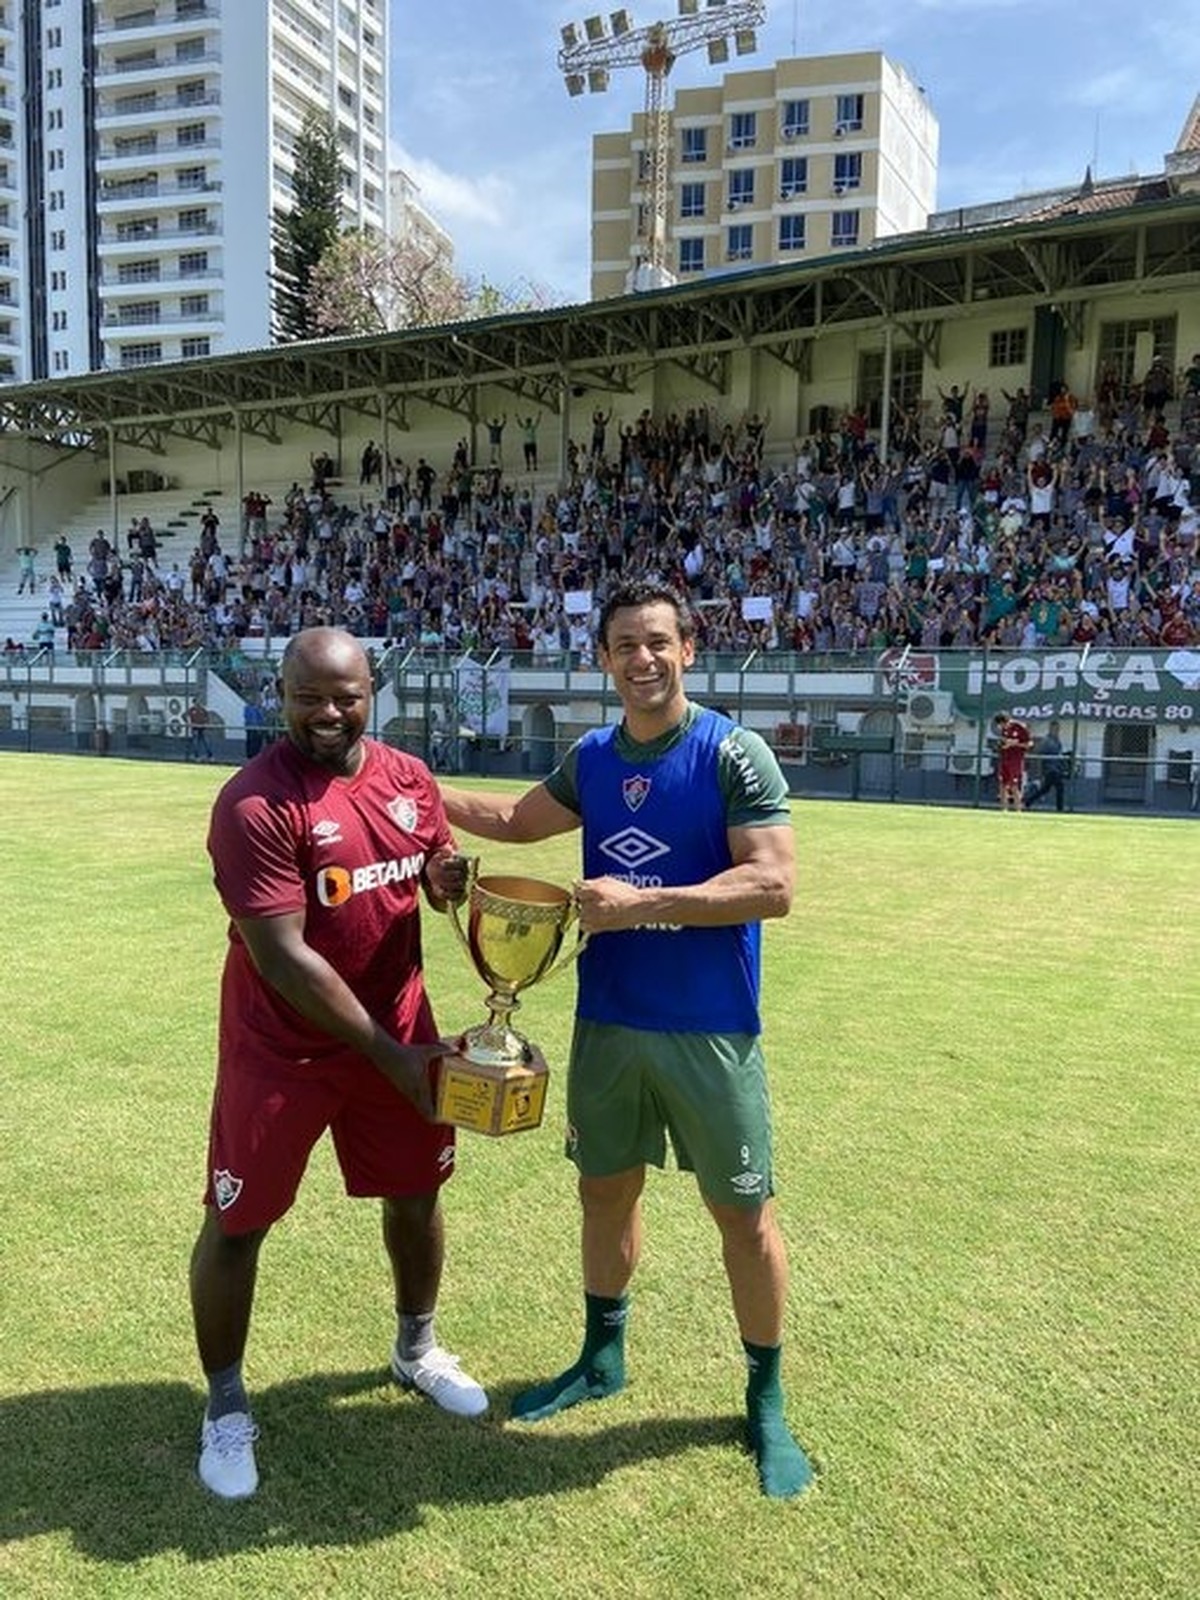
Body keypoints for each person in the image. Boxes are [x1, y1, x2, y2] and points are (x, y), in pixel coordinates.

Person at [439, 579, 813, 1500]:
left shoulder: (734, 752)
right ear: (602, 660)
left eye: (657, 642)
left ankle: (765, 1402)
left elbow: (773, 886)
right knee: (603, 1194)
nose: (642, 659)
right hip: (608, 1023)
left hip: (710, 1030)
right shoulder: (594, 759)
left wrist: (643, 903)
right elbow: (516, 823)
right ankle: (602, 1358)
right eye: (623, 646)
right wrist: (405, 786)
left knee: (744, 1215)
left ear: (688, 648)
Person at [189, 627, 485, 1502]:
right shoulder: (254, 804)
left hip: (396, 1028)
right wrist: (394, 1058)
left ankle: (416, 1348)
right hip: (282, 1050)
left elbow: (424, 865)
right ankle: (225, 1405)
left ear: (371, 691)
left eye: (345, 695)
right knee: (238, 1224)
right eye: (308, 696)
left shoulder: (408, 778)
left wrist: (443, 880)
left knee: (416, 1193)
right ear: (278, 695)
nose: (328, 713)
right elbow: (282, 956)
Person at [992, 710, 1033, 811]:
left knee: (1014, 785)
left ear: (1007, 721)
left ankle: (1018, 809)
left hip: (1015, 760)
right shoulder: (1003, 731)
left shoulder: (1020, 727)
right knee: (1002, 784)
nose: (1001, 727)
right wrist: (1002, 745)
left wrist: (1015, 744)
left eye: (1002, 724)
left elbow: (1029, 744)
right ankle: (1003, 809)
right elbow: (1003, 742)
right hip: (1004, 758)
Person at [1024, 719, 1068, 812]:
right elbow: (1038, 752)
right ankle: (1060, 809)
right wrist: (1040, 770)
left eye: (1058, 729)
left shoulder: (1057, 741)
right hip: (1049, 769)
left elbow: (1059, 753)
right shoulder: (1046, 741)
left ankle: (1028, 802)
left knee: (1045, 790)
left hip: (1056, 768)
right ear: (1051, 729)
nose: (1056, 731)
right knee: (1060, 786)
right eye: (1055, 728)